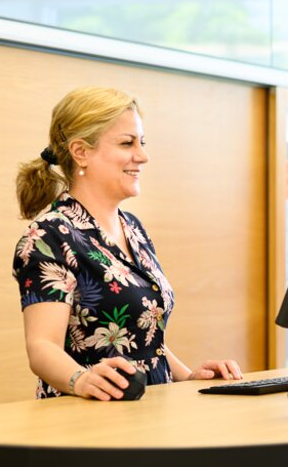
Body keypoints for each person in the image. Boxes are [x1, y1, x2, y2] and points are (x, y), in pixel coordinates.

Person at [13, 86, 242, 401]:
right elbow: (42, 347)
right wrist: (81, 380)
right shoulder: (49, 236)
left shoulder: (133, 228)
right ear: (81, 152)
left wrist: (188, 376)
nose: (143, 156)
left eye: (142, 142)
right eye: (127, 143)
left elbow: (143, 337)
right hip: (85, 419)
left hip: (148, 414)